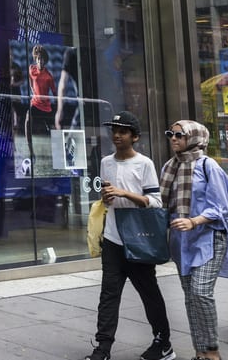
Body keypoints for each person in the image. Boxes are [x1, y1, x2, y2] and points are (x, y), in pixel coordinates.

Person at [84, 111, 173, 360]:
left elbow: (155, 201)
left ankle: (163, 341)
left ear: (135, 137)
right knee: (109, 294)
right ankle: (103, 347)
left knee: (149, 292)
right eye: (114, 130)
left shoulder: (144, 164)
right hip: (113, 237)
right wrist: (107, 197)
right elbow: (107, 197)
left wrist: (124, 193)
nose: (116, 135)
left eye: (122, 131)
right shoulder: (105, 162)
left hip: (138, 238)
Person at [161, 120, 228, 360]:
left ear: (194, 138)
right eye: (170, 134)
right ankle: (199, 351)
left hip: (209, 238)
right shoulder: (170, 167)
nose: (173, 138)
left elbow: (221, 208)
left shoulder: (209, 166)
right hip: (181, 241)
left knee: (201, 292)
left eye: (179, 135)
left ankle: (212, 350)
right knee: (190, 296)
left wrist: (194, 221)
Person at [25, 44, 55, 136]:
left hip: (46, 106)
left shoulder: (49, 76)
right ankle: (30, 148)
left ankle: (60, 144)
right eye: (38, 59)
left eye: (42, 59)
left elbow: (55, 92)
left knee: (51, 128)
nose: (40, 61)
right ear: (36, 60)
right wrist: (32, 90)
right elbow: (30, 80)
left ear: (44, 61)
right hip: (35, 103)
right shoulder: (31, 69)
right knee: (27, 120)